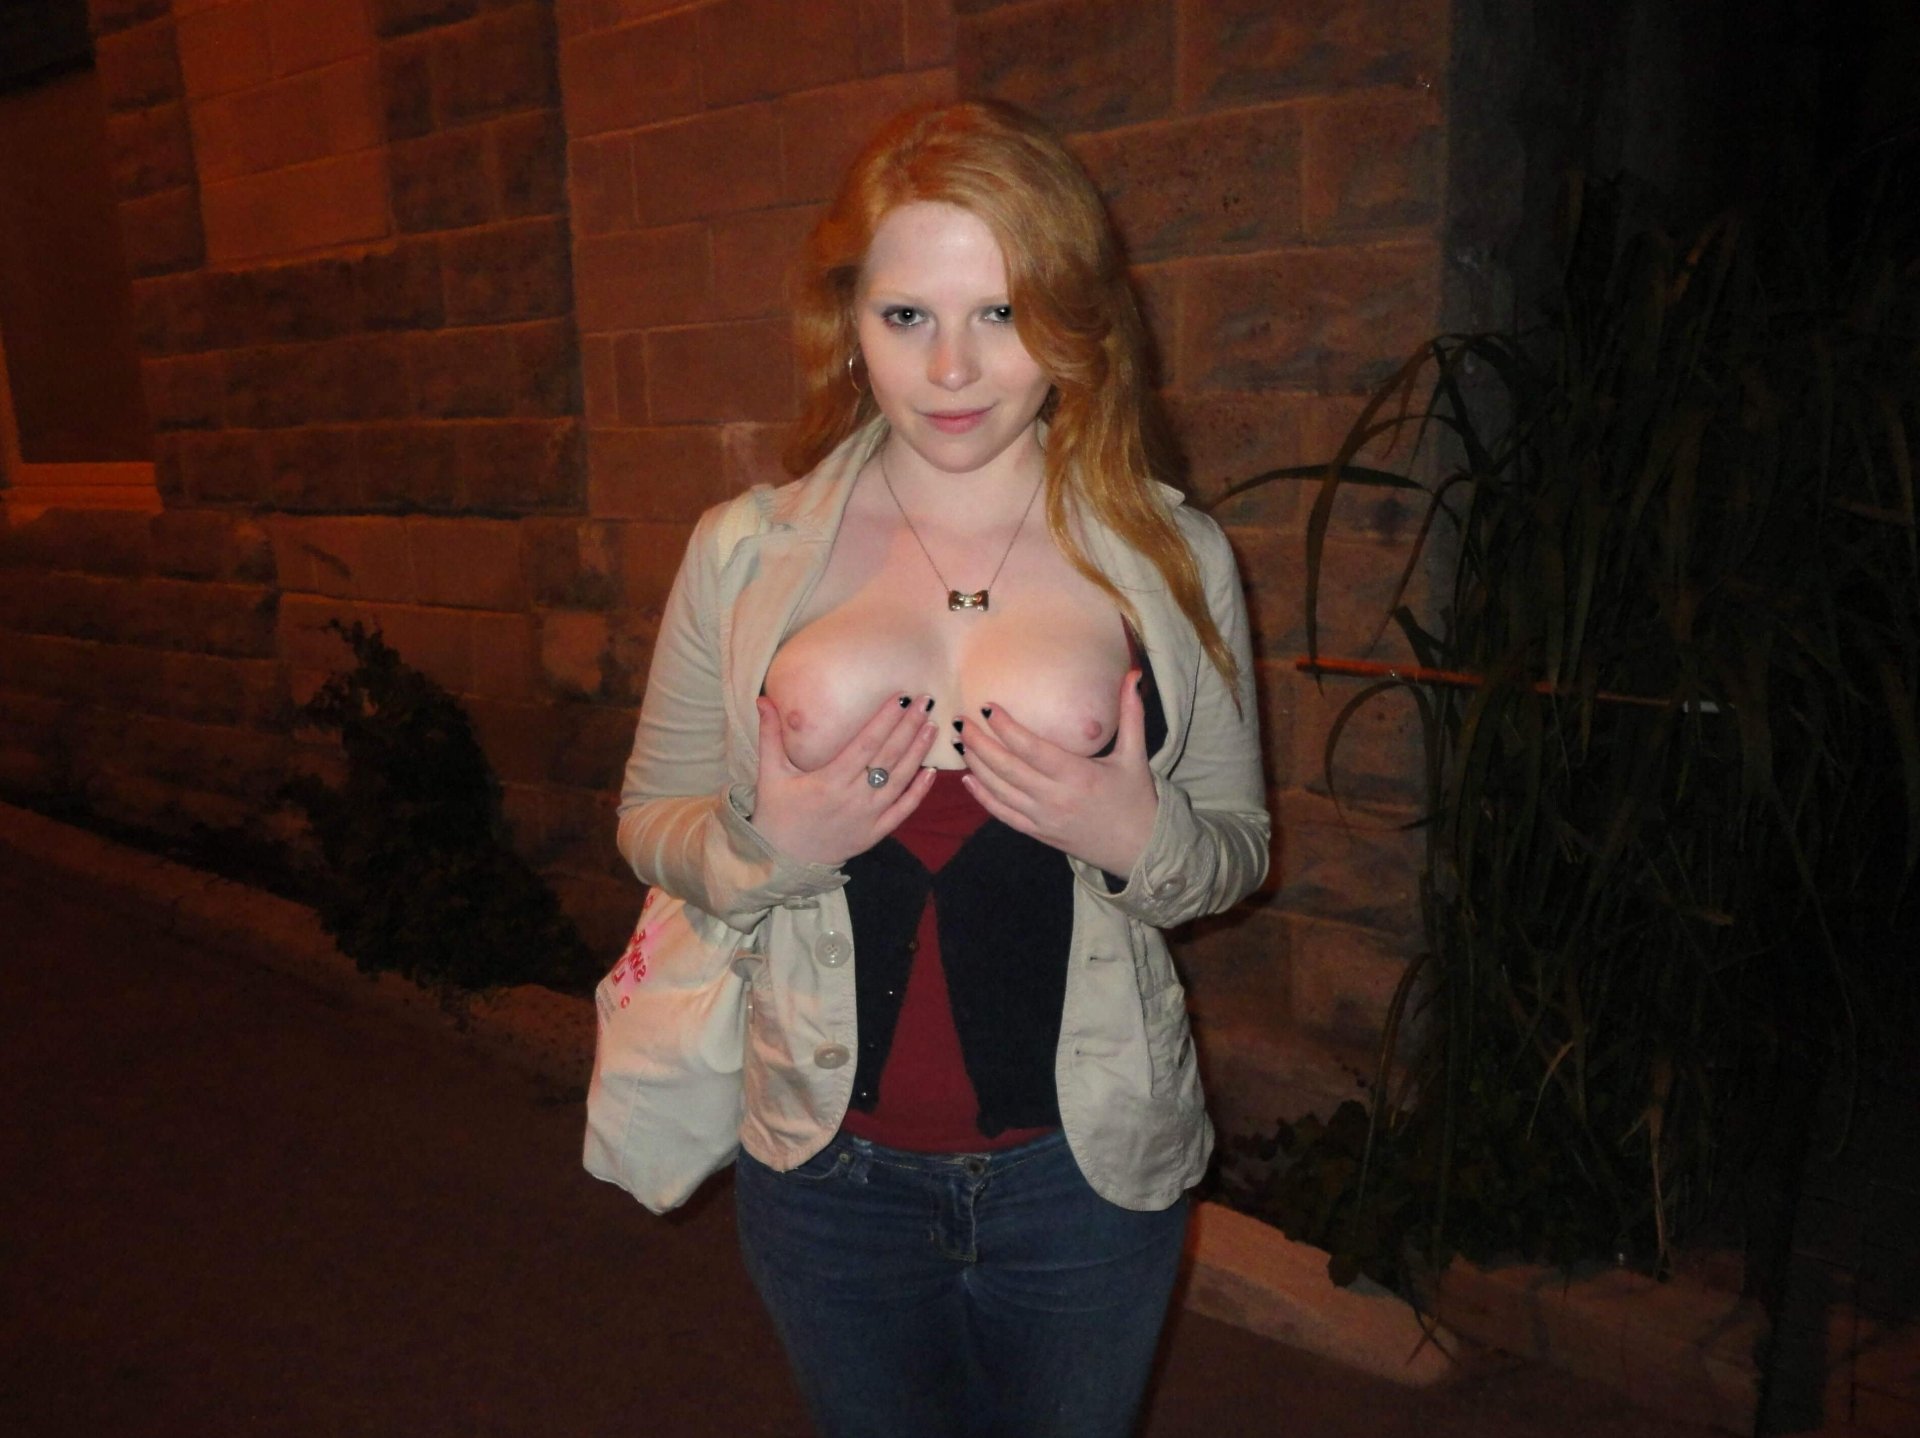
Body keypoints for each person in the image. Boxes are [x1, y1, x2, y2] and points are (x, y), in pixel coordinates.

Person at [614, 100, 1269, 1438]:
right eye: (907, 315)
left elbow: (1235, 848)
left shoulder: (1175, 554)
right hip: (824, 1169)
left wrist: (1135, 833)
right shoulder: (745, 549)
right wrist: (769, 851)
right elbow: (648, 817)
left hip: (1087, 1175)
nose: (954, 368)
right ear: (847, 323)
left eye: (1002, 312)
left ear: (1074, 319)